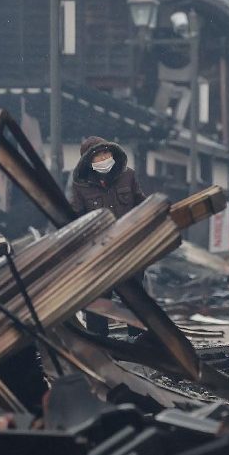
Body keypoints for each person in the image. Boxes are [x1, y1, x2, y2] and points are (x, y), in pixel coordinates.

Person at [69, 136, 146, 335]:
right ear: (87, 161)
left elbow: (142, 205)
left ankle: (138, 342)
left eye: (106, 152)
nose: (104, 158)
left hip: (129, 249)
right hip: (99, 253)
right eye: (97, 155)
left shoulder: (128, 176)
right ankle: (102, 347)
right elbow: (74, 219)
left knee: (135, 298)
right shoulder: (80, 186)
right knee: (98, 301)